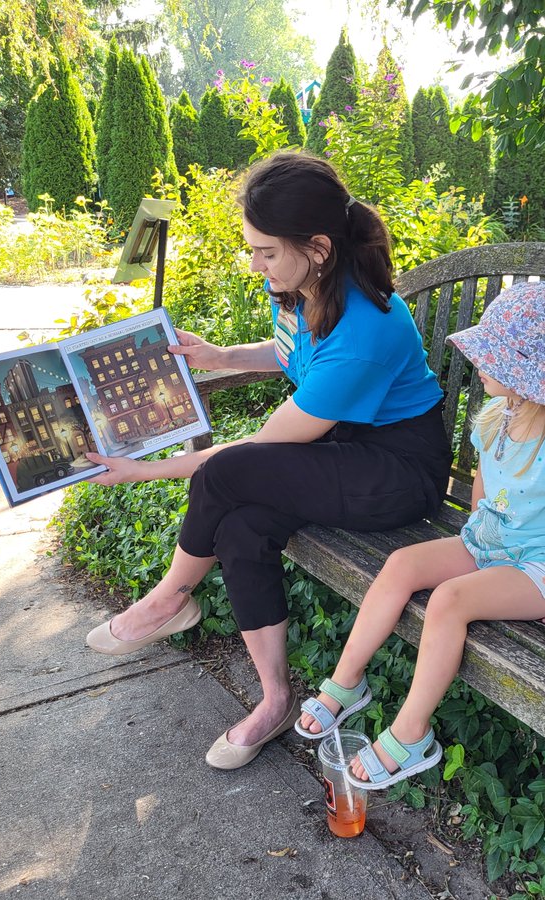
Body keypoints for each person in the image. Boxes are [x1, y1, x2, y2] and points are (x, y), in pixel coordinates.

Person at [82, 151, 452, 770]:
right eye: (251, 249)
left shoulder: (366, 330)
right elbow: (288, 354)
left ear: (319, 246)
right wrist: (221, 356)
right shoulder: (297, 282)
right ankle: (275, 699)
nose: (254, 264)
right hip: (343, 447)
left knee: (228, 473)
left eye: (266, 252)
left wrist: (144, 469)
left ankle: (171, 597)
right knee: (240, 524)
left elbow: (259, 450)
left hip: (396, 472)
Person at [295, 281, 545, 791]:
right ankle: (346, 682)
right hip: (491, 544)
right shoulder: (497, 416)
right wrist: (473, 536)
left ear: (523, 373)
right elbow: (486, 484)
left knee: (449, 600)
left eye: (491, 358)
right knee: (402, 563)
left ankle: (412, 732)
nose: (479, 365)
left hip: (544, 568)